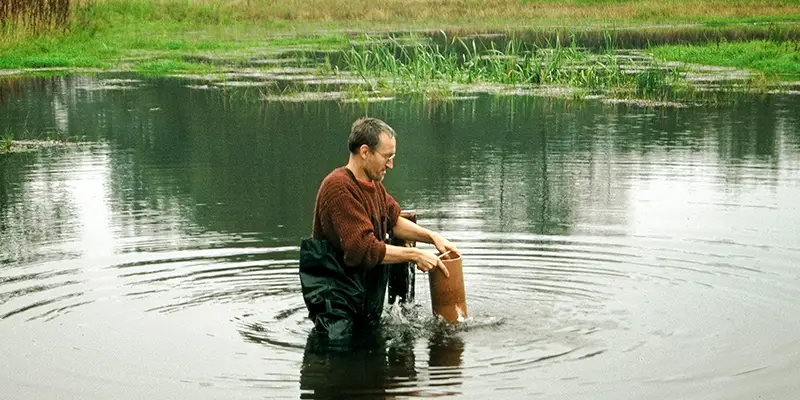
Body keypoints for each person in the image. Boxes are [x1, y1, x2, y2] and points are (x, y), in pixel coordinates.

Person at [299, 117, 460, 343]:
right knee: (336, 364)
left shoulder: (374, 186)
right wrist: (414, 255)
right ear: (365, 151)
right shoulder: (338, 188)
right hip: (336, 308)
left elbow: (394, 220)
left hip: (362, 303)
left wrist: (432, 238)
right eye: (387, 157)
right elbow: (362, 249)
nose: (391, 165)